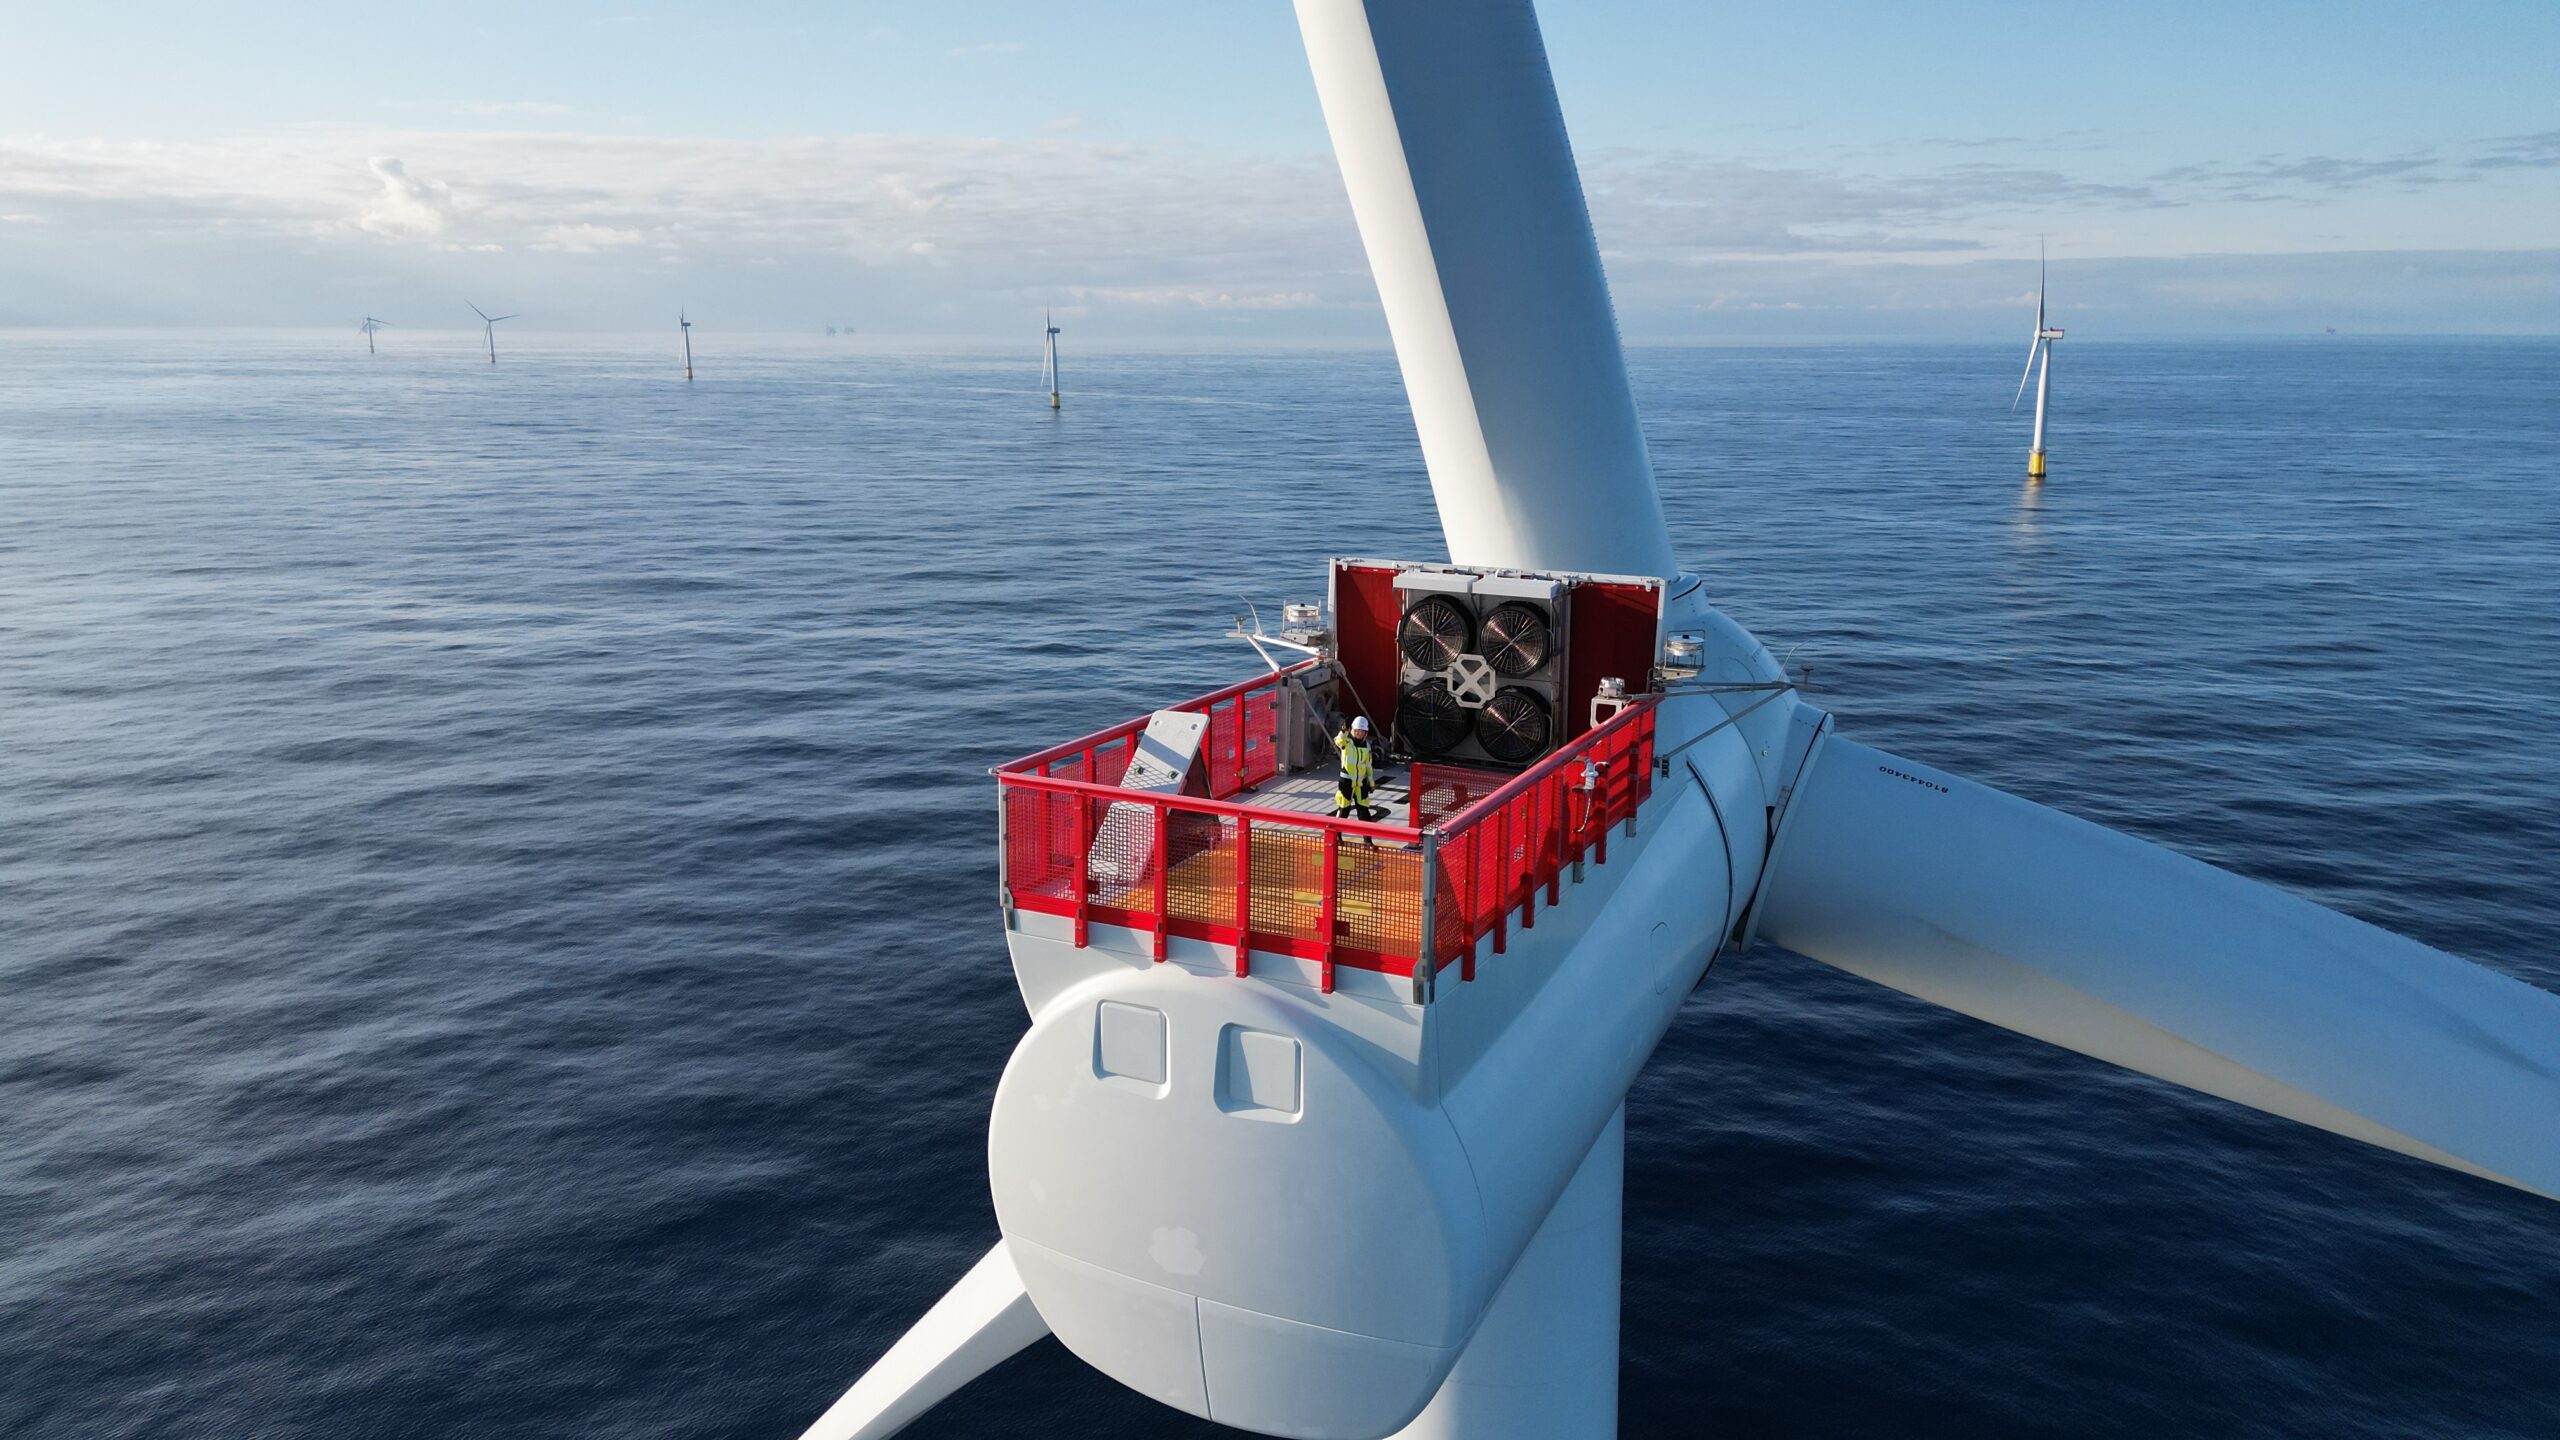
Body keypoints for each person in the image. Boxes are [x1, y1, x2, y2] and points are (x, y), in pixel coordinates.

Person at [1334, 714, 1387, 822]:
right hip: (1347, 781)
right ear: (1352, 730)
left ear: (1365, 733)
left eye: (1361, 731)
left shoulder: (1367, 746)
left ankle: (1367, 838)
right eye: (1356, 730)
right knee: (1344, 808)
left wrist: (1371, 783)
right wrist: (1343, 731)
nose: (1358, 733)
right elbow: (1338, 741)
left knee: (1364, 810)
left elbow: (1368, 765)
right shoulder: (1347, 743)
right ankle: (1336, 835)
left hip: (1361, 782)